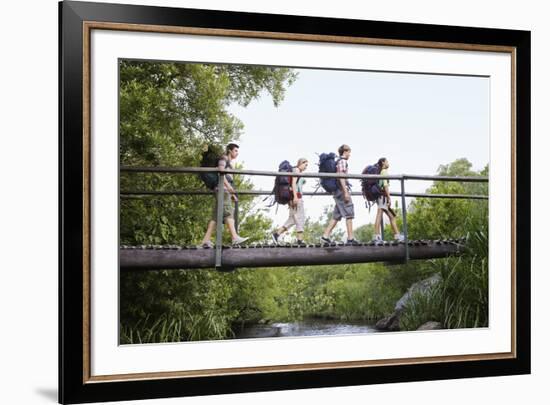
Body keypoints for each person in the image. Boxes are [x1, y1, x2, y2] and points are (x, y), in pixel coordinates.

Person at [201, 143, 249, 247]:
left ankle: (205, 240)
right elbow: (220, 170)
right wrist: (229, 188)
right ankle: (235, 238)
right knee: (228, 212)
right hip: (222, 189)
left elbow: (227, 178)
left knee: (215, 217)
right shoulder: (224, 158)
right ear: (230, 150)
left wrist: (232, 193)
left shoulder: (230, 164)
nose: (237, 153)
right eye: (235, 150)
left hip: (223, 190)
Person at [320, 144, 359, 245]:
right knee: (349, 212)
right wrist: (345, 192)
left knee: (336, 215)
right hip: (341, 190)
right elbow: (341, 176)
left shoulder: (339, 161)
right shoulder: (342, 161)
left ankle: (325, 236)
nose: (350, 154)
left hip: (338, 191)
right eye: (349, 152)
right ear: (345, 152)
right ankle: (350, 238)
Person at [272, 158, 309, 245]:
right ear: (301, 163)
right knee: (300, 217)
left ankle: (276, 234)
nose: (306, 167)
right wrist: (295, 197)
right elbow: (293, 184)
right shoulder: (296, 170)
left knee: (292, 219)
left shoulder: (296, 171)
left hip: (293, 197)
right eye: (305, 165)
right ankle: (300, 240)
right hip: (297, 198)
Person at [373, 157, 405, 243]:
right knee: (379, 215)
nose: (388, 163)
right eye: (387, 161)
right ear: (383, 162)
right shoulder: (384, 172)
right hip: (382, 196)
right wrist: (389, 197)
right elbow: (385, 185)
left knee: (391, 216)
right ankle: (377, 237)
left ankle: (397, 236)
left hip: (381, 196)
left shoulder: (381, 172)